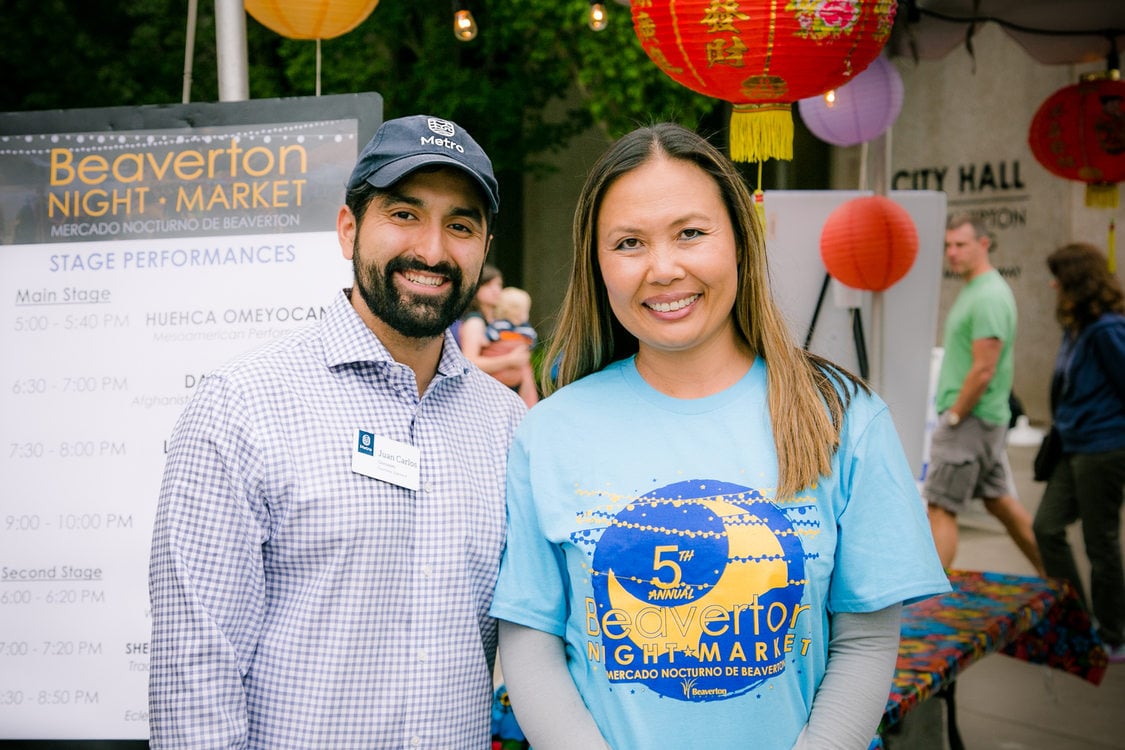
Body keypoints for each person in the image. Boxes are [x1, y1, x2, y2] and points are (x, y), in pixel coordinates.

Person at [488, 123, 950, 749]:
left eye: (691, 233)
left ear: (739, 240)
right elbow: (531, 637)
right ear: (597, 265)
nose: (664, 268)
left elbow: (866, 638)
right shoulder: (549, 431)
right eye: (628, 242)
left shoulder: (842, 416)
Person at [147, 114, 527, 748]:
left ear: (484, 247)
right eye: (404, 215)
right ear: (349, 228)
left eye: (460, 225)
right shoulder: (242, 407)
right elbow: (195, 673)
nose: (432, 251)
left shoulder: (508, 426)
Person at [922, 214, 1045, 576]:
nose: (952, 253)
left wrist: (956, 416)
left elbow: (984, 368)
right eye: (948, 246)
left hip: (971, 420)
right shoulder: (977, 289)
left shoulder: (990, 294)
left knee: (940, 507)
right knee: (1000, 502)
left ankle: (930, 599)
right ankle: (1058, 579)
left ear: (984, 244)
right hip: (980, 419)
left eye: (961, 244)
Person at [1032, 242, 1125, 663]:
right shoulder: (1078, 327)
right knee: (1047, 527)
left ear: (1076, 281)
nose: (1052, 284)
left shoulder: (1106, 329)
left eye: (1058, 276)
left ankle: (1113, 634)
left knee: (1099, 543)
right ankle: (1078, 620)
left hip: (1102, 447)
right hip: (1072, 446)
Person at [457, 263, 533, 381]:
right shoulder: (475, 321)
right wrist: (510, 360)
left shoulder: (498, 321)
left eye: (498, 285)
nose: (496, 290)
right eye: (488, 285)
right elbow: (469, 361)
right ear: (476, 288)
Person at [483, 286, 540, 406]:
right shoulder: (526, 330)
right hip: (513, 377)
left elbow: (487, 338)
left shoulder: (496, 326)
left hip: (497, 378)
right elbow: (532, 342)